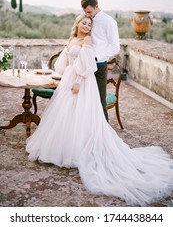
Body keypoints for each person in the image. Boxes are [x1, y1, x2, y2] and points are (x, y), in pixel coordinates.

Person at [26, 14, 173, 207]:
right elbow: (65, 62)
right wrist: (64, 76)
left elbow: (87, 64)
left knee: (81, 115)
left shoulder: (88, 40)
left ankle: (79, 150)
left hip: (82, 82)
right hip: (69, 79)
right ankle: (67, 146)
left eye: (89, 24)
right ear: (77, 23)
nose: (87, 26)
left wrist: (77, 82)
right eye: (84, 23)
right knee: (66, 115)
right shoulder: (72, 39)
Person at [81, 0, 120, 121]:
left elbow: (115, 47)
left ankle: (104, 134)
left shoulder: (109, 21)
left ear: (96, 6)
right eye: (85, 12)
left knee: (99, 102)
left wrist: (97, 57)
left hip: (99, 66)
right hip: (85, 66)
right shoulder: (87, 20)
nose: (88, 14)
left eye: (89, 11)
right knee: (86, 101)